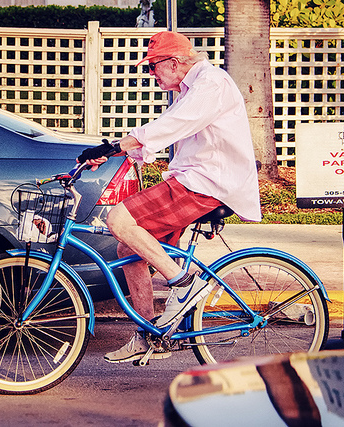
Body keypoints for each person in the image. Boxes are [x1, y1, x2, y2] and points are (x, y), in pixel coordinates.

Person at [77, 31, 262, 363]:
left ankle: (184, 282)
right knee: (128, 247)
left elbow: (174, 125)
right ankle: (149, 334)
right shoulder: (190, 88)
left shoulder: (211, 83)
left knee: (118, 218)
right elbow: (166, 128)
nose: (151, 74)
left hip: (208, 183)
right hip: (193, 179)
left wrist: (116, 145)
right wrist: (115, 153)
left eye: (153, 67)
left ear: (174, 63)